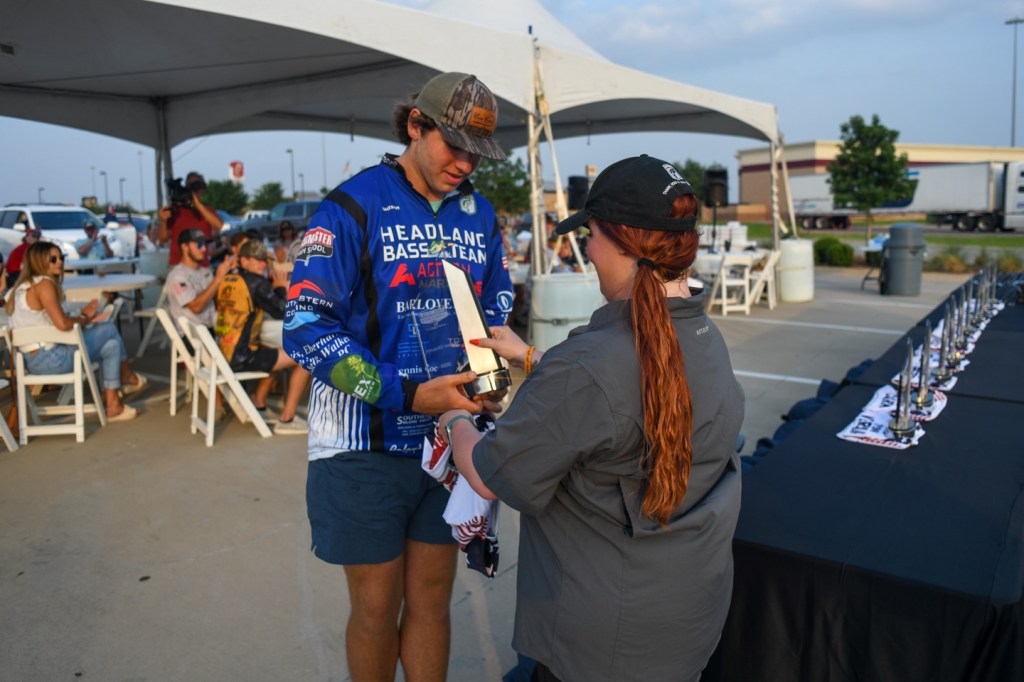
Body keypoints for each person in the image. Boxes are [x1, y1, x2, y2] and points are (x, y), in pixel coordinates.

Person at [438, 155, 744, 682]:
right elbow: (628, 398)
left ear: (623, 243)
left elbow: (491, 474)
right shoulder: (705, 336)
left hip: (603, 647)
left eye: (592, 236)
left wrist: (451, 419)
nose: (590, 252)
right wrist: (534, 358)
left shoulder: (588, 367)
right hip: (686, 623)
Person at [283, 72, 514, 681]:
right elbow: (304, 326)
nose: (465, 164)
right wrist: (406, 392)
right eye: (454, 145)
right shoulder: (352, 204)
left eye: (477, 153)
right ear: (415, 125)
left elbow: (495, 302)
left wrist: (487, 376)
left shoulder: (479, 213)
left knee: (433, 602)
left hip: (449, 440)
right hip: (364, 448)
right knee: (376, 610)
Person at [7, 241, 148, 421]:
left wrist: (82, 317)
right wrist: (84, 316)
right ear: (39, 261)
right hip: (53, 359)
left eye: (61, 257)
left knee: (111, 346)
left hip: (30, 361)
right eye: (53, 259)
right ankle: (127, 375)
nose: (60, 262)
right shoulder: (45, 284)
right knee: (109, 328)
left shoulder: (21, 287)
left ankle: (114, 406)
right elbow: (63, 324)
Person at [215, 240, 309, 434]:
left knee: (271, 350)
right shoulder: (257, 283)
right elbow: (283, 311)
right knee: (307, 355)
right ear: (244, 261)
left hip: (223, 351)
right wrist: (280, 287)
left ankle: (259, 402)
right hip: (241, 357)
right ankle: (287, 418)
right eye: (256, 260)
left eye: (263, 260)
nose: (262, 264)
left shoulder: (229, 278)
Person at [165, 228, 235, 336]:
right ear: (184, 247)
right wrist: (218, 278)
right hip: (193, 336)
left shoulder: (205, 271)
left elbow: (218, 298)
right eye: (199, 245)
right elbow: (196, 307)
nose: (204, 249)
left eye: (205, 244)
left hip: (212, 329)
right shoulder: (177, 276)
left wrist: (230, 271)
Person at [157, 171, 224, 266]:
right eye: (190, 185)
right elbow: (162, 238)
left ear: (202, 189)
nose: (193, 189)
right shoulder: (175, 211)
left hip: (201, 265)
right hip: (178, 264)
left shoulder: (208, 211)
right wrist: (164, 221)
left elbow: (219, 226)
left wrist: (198, 204)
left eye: (196, 185)